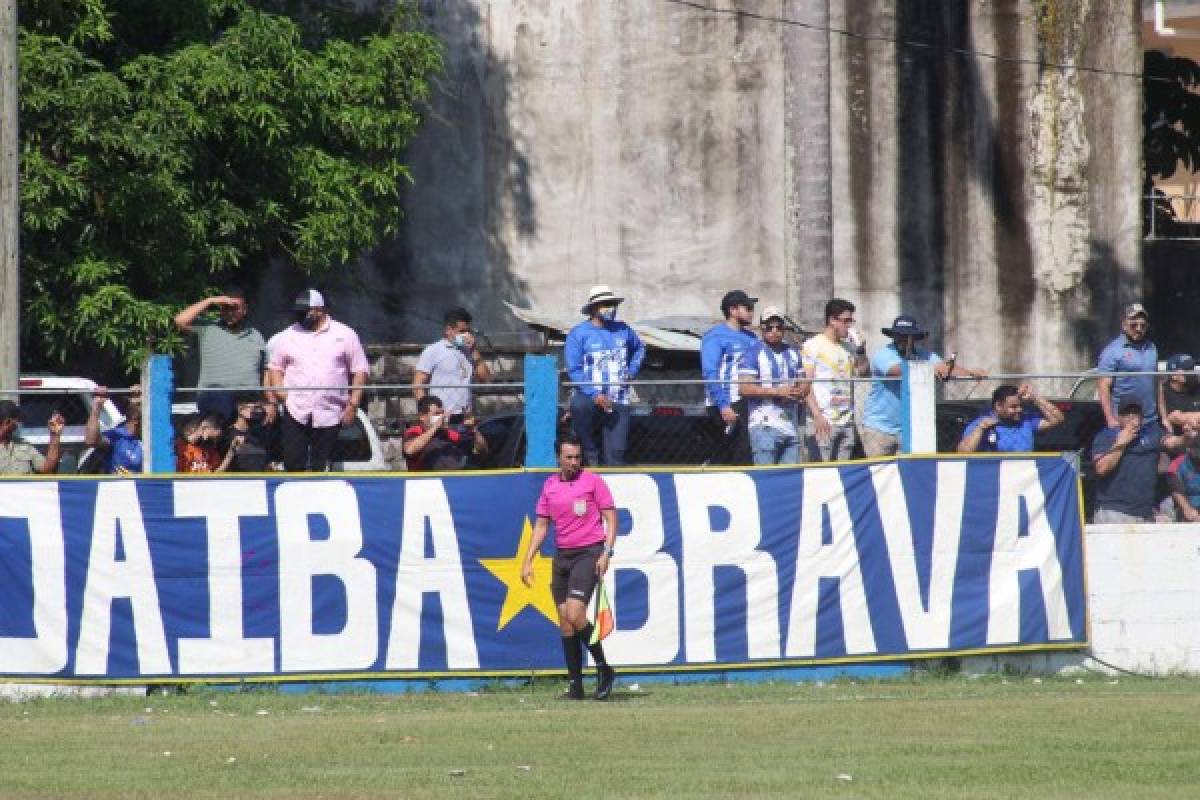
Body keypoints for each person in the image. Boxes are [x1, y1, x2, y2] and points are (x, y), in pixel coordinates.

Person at [520, 436, 617, 701]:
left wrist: (607, 552)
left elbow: (610, 517)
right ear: (559, 459)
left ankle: (603, 668)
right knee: (565, 623)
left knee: (576, 613)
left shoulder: (592, 482)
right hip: (562, 556)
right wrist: (527, 560)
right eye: (569, 457)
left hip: (589, 552)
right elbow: (541, 525)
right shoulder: (550, 486)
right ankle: (576, 686)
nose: (574, 462)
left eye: (577, 457)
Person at [267, 289, 369, 472]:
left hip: (331, 411)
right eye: (298, 312)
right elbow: (275, 367)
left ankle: (318, 497)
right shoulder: (288, 335)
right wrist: (280, 392)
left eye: (304, 311)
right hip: (296, 408)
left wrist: (353, 405)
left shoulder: (345, 334)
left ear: (320, 310)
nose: (300, 316)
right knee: (292, 461)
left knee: (321, 464)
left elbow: (360, 370)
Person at [861, 314, 986, 457]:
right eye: (900, 335)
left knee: (908, 471)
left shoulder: (924, 354)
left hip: (909, 428)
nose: (904, 339)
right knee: (879, 474)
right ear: (894, 336)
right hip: (880, 427)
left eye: (908, 336)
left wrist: (970, 372)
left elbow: (944, 367)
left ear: (914, 338)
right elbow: (895, 371)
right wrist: (931, 369)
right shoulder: (884, 354)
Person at [565, 285, 646, 466]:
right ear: (594, 308)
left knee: (616, 455)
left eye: (612, 304)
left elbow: (640, 348)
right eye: (605, 304)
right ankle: (590, 450)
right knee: (578, 406)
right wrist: (594, 394)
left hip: (619, 399)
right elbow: (574, 370)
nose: (610, 308)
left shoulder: (623, 329)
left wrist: (632, 371)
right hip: (590, 398)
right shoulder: (578, 334)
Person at [173, 288, 268, 424]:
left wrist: (267, 401)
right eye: (225, 308)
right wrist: (211, 300)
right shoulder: (208, 329)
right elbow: (179, 321)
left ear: (244, 310)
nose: (230, 313)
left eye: (234, 308)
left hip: (249, 399)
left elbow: (264, 370)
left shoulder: (256, 335)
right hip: (215, 397)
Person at [737, 306, 808, 465]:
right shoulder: (753, 352)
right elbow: (744, 387)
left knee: (789, 480)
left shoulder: (793, 352)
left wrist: (799, 392)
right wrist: (778, 392)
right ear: (762, 328)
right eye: (769, 327)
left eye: (779, 326)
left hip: (791, 425)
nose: (774, 331)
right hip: (764, 426)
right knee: (767, 478)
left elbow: (804, 383)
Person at [802, 298, 869, 462]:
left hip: (846, 421)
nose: (849, 326)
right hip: (824, 420)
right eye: (845, 321)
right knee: (822, 475)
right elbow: (805, 384)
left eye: (850, 321)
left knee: (843, 474)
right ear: (832, 320)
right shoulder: (813, 345)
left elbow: (864, 373)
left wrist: (861, 351)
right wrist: (817, 415)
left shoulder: (848, 347)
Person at [701, 289, 761, 464]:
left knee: (746, 453)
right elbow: (710, 372)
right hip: (725, 402)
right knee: (726, 455)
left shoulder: (752, 337)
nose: (751, 312)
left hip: (747, 400)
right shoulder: (715, 336)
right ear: (733, 310)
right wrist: (723, 405)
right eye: (748, 307)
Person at [1091, 401, 1167, 524]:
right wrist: (1121, 442)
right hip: (1114, 511)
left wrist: (1186, 438)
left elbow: (1171, 443)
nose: (1132, 417)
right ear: (1118, 417)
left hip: (1144, 512)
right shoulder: (1107, 436)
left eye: (1136, 413)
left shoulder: (1152, 434)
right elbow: (1101, 468)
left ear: (1142, 417)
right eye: (1127, 414)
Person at [412, 307, 492, 418]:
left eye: (469, 331)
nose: (467, 335)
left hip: (465, 417)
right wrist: (428, 412)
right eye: (462, 331)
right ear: (448, 330)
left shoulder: (470, 351)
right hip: (442, 416)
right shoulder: (433, 350)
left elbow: (485, 378)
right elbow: (417, 385)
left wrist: (473, 350)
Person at [1097, 303, 1164, 430]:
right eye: (1134, 325)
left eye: (1143, 325)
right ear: (1124, 325)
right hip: (1125, 422)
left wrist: (1164, 417)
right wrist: (1110, 419)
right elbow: (1103, 386)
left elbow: (1157, 382)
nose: (1139, 329)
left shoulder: (1152, 348)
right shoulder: (1112, 351)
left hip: (1151, 420)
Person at [957, 384, 1065, 453]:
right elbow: (962, 452)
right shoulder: (982, 423)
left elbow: (1057, 419)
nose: (1019, 410)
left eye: (1020, 406)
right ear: (998, 406)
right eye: (1013, 407)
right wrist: (980, 429)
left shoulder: (1026, 421)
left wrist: (1035, 398)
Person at [402, 395, 486, 471]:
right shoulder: (414, 431)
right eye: (437, 414)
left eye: (442, 413)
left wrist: (473, 429)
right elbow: (409, 450)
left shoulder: (447, 433)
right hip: (425, 479)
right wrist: (435, 427)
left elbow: (480, 448)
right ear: (422, 416)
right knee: (433, 445)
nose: (441, 417)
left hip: (458, 472)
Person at [85, 387, 144, 475]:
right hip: (119, 487)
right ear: (135, 418)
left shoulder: (152, 439)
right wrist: (97, 405)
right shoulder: (119, 436)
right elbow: (91, 440)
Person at [221, 392, 281, 472]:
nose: (257, 412)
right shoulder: (227, 435)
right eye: (254, 408)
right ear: (240, 409)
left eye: (259, 408)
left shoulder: (261, 434)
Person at [0, 400, 63, 475]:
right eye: (17, 420)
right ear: (7, 422)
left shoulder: (23, 444)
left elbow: (46, 468)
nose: (18, 424)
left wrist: (55, 435)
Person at [1166, 425, 1200, 522]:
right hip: (1186, 504)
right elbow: (1176, 490)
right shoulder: (1177, 465)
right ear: (1189, 449)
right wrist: (1187, 509)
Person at [1160, 354, 1200, 436]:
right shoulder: (1165, 393)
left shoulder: (1196, 387)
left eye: (1192, 368)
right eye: (1187, 370)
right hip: (1180, 441)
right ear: (1173, 375)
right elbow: (1176, 417)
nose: (1192, 372)